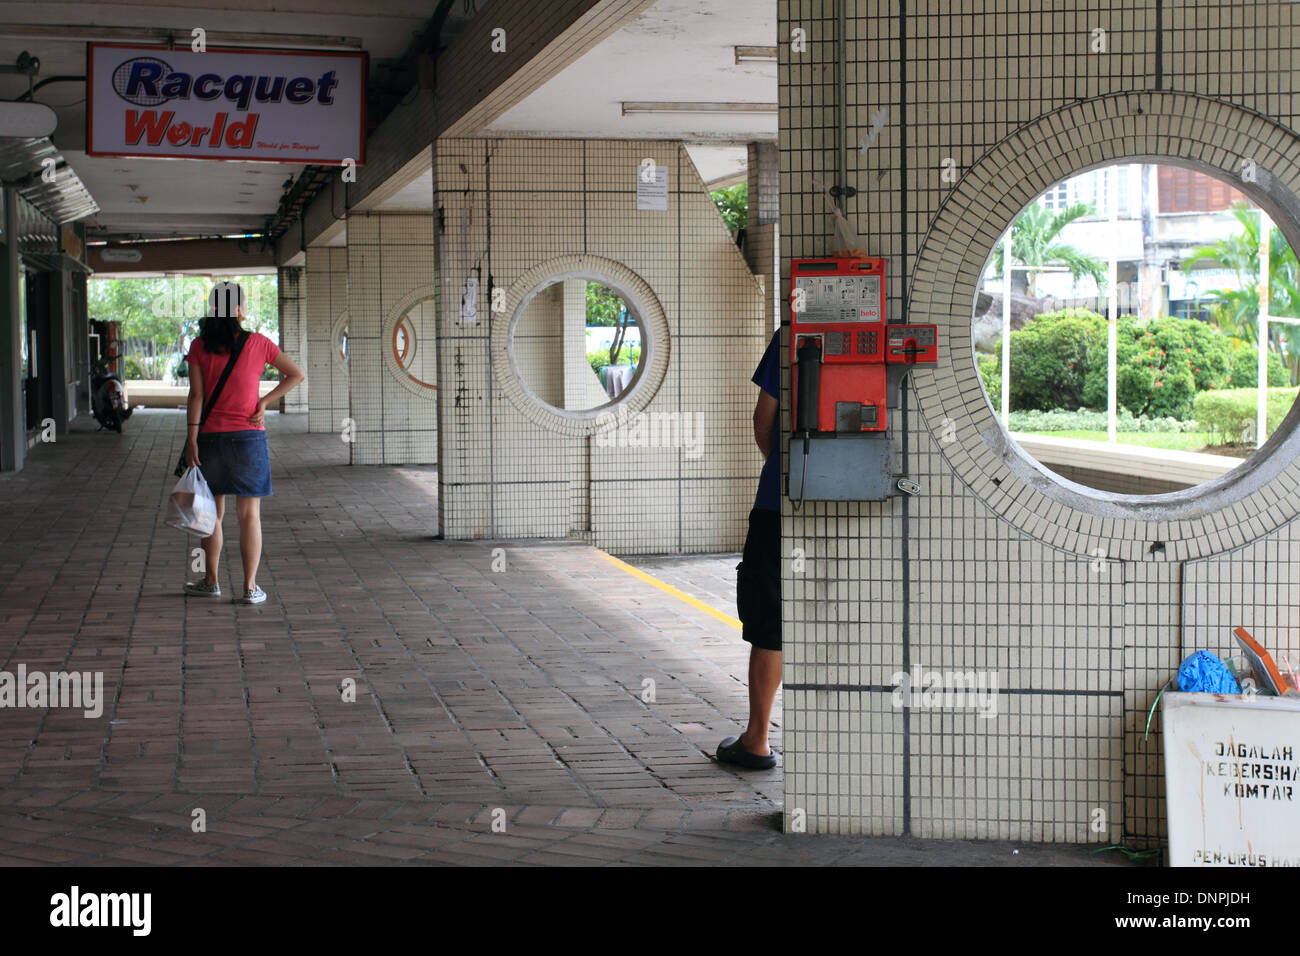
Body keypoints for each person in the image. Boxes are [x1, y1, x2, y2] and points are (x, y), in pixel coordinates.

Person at [182, 281, 305, 605]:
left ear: (213, 309)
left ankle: (211, 581)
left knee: (211, 514)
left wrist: (191, 439)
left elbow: (196, 396)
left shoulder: (198, 346)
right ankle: (250, 587)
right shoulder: (260, 343)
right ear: (237, 310)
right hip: (249, 438)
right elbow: (296, 375)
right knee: (249, 514)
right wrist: (264, 402)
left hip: (210, 437)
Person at [717, 328, 782, 770]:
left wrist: (781, 464)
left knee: (771, 623)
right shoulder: (888, 333)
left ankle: (757, 739)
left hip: (779, 505)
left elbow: (763, 419)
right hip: (867, 508)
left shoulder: (794, 336)